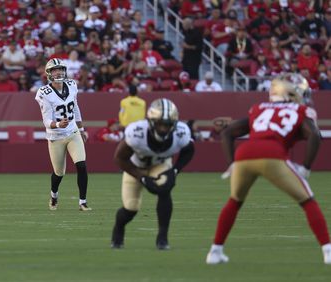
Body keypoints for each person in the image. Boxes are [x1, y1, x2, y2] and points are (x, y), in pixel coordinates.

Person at [206, 73, 331, 265]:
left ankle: (215, 252)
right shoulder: (301, 110)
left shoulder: (258, 108)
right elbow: (314, 135)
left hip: (244, 154)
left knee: (234, 201)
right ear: (291, 92)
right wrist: (306, 167)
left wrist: (232, 163)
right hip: (272, 154)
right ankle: (328, 251)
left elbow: (228, 132)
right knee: (307, 200)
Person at [111, 98, 195, 250]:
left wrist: (175, 171)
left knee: (165, 189)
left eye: (167, 124)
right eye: (159, 124)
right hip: (135, 167)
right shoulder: (137, 132)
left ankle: (162, 237)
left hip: (160, 164)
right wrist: (141, 177)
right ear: (150, 121)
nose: (163, 129)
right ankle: (118, 229)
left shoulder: (181, 132)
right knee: (131, 207)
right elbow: (119, 158)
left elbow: (189, 150)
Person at [34, 58, 91, 211]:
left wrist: (81, 129)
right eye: (55, 70)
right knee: (59, 173)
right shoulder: (43, 92)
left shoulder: (72, 85)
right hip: (56, 136)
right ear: (49, 73)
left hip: (72, 132)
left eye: (61, 69)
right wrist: (59, 124)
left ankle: (83, 202)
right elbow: (46, 121)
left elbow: (76, 107)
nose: (59, 72)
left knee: (82, 165)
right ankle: (54, 195)